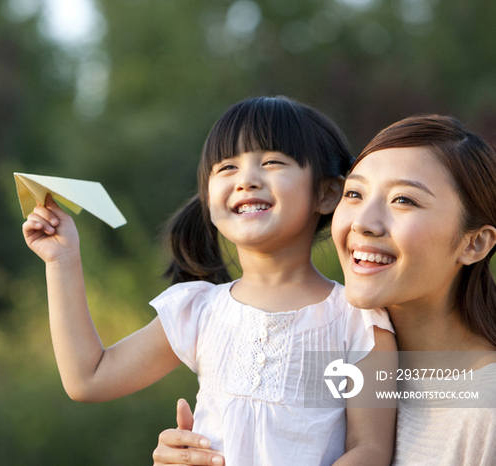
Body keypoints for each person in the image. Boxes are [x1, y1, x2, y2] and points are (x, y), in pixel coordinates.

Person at [23, 96, 396, 466]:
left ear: (328, 192)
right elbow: (89, 378)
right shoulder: (198, 310)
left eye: (271, 163)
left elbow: (370, 449)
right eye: (227, 168)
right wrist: (62, 260)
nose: (246, 180)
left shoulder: (359, 320)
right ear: (208, 198)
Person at [153, 114, 496, 466]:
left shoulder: (485, 413)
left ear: (475, 243)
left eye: (403, 200)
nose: (363, 221)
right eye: (355, 193)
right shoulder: (335, 361)